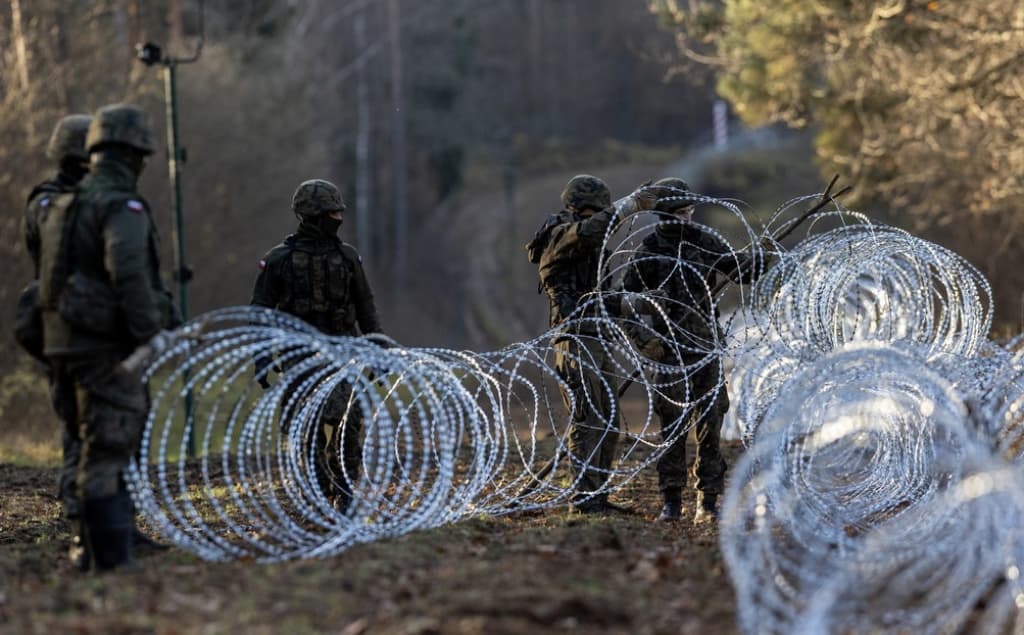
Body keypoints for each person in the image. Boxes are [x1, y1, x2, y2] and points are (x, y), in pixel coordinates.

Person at [37, 103, 179, 570]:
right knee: (109, 449)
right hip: (104, 347)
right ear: (132, 152)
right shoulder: (122, 205)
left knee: (86, 443)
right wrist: (150, 334)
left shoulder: (62, 204)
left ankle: (91, 550)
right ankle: (111, 560)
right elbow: (130, 273)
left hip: (64, 342)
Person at [618, 177, 765, 523]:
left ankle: (708, 501)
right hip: (670, 351)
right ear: (664, 215)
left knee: (711, 425)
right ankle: (671, 501)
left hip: (707, 348)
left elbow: (741, 271)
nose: (686, 218)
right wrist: (644, 340)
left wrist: (761, 257)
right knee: (672, 428)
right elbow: (623, 302)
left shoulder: (705, 241)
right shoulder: (650, 249)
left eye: (690, 211)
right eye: (680, 213)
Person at [526, 174, 665, 513]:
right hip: (575, 338)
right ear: (583, 208)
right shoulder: (560, 235)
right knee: (588, 419)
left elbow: (603, 297)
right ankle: (585, 500)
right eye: (597, 214)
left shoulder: (592, 249)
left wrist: (640, 313)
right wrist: (629, 204)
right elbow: (589, 233)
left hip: (597, 336)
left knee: (608, 420)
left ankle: (597, 495)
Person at [250, 179, 384, 513]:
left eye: (339, 212)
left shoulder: (348, 257)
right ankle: (318, 483)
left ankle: (345, 488)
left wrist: (379, 351)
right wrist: (262, 356)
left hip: (345, 352)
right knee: (306, 428)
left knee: (349, 424)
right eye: (331, 212)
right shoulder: (279, 260)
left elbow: (366, 308)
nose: (337, 218)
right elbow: (261, 311)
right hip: (301, 356)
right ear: (312, 215)